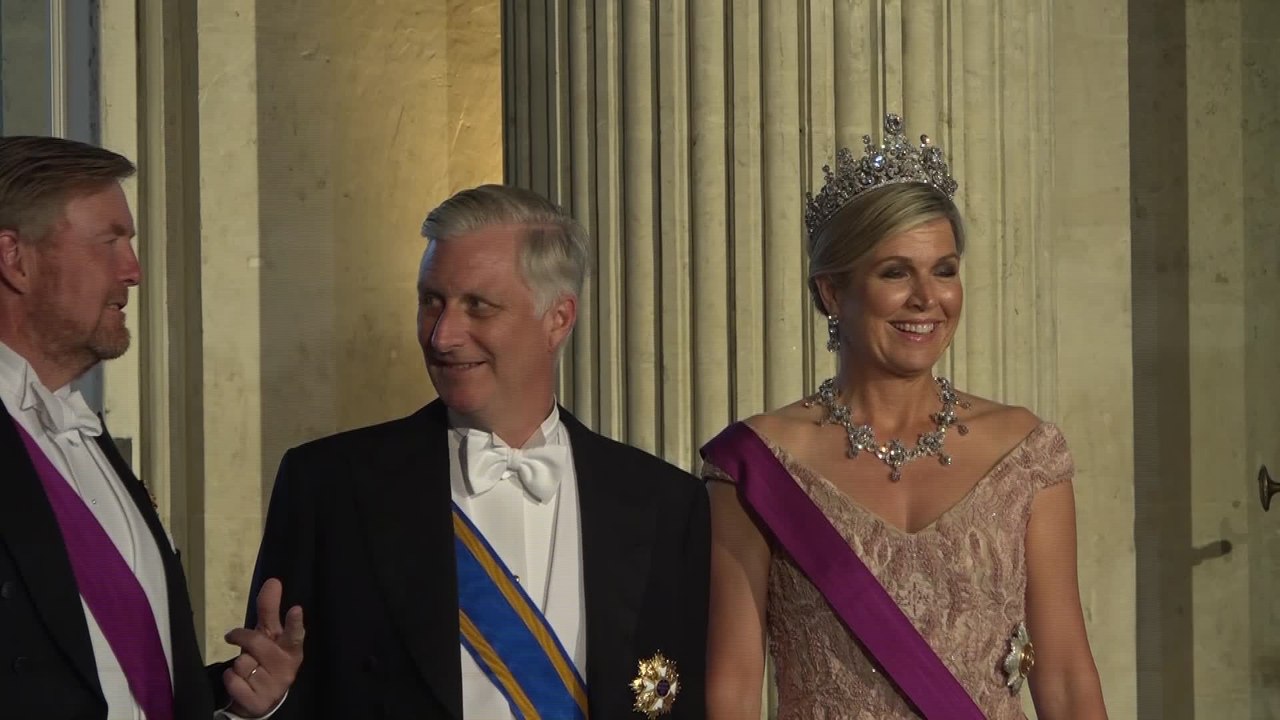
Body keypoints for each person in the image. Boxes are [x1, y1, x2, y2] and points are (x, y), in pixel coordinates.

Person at [243, 184, 709, 719]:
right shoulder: (329, 487)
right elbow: (273, 682)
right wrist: (263, 707)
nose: (442, 336)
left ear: (558, 318)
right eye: (431, 302)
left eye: (478, 307)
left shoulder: (666, 504)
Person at [700, 114, 1108, 720]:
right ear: (832, 292)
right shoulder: (757, 464)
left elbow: (1068, 679)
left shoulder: (1025, 453)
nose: (927, 298)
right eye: (895, 272)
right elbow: (732, 693)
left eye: (944, 270)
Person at [0, 135, 305, 719]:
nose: (133, 271)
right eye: (109, 242)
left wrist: (237, 698)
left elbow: (120, 681)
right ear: (15, 258)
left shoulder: (86, 436)